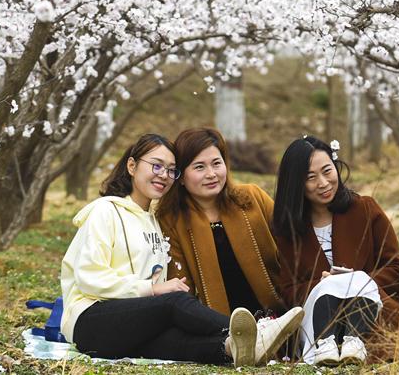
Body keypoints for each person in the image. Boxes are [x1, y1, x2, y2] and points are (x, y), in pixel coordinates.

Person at [60, 133, 301, 366]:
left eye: (170, 170)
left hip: (132, 323)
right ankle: (255, 333)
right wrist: (152, 289)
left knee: (174, 342)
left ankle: (234, 348)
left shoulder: (156, 220)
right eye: (156, 166)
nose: (163, 175)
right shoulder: (106, 211)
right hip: (91, 319)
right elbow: (88, 278)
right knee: (174, 302)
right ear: (132, 166)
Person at [272, 136, 399, 366]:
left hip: (375, 311)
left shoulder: (365, 209)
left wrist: (356, 281)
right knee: (330, 287)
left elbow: (396, 269)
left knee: (355, 281)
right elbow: (288, 290)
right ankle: (327, 346)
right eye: (311, 177)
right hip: (319, 321)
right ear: (296, 184)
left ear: (336, 167)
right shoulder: (289, 230)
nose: (323, 182)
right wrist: (324, 285)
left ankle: (356, 343)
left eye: (327, 170)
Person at [157, 127, 298, 360]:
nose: (211, 174)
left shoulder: (252, 198)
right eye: (199, 167)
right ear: (180, 177)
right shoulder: (172, 221)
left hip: (278, 316)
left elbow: (292, 244)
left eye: (217, 163)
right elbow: (182, 290)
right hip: (220, 329)